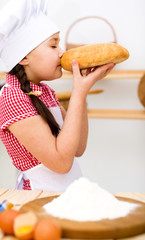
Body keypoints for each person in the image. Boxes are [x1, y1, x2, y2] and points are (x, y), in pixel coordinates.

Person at [0, 0, 114, 191]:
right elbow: (61, 163)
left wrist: (82, 91)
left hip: (67, 194)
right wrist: (78, 92)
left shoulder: (44, 91)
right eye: (53, 46)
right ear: (23, 57)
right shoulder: (12, 98)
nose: (62, 52)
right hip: (38, 199)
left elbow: (78, 148)